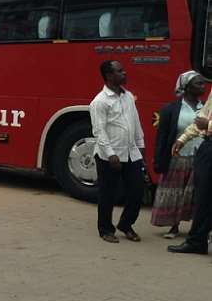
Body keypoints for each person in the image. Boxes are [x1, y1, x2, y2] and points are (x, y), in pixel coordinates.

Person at [90, 60, 145, 243]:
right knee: (108, 194)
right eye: (120, 71)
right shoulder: (100, 101)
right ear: (109, 76)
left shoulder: (127, 96)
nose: (124, 73)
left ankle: (126, 224)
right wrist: (110, 153)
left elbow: (135, 121)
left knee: (137, 191)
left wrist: (140, 145)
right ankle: (105, 229)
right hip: (109, 156)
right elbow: (99, 130)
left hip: (131, 153)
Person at [151, 71, 205, 238]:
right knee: (175, 192)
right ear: (186, 87)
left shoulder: (206, 108)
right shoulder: (171, 109)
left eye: (203, 83)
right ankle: (173, 226)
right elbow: (162, 137)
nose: (203, 86)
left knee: (199, 194)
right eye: (198, 83)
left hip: (200, 157)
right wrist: (159, 159)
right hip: (178, 157)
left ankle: (199, 229)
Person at [168, 77, 212, 254]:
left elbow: (205, 122)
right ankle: (197, 241)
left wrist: (209, 125)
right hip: (208, 146)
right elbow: (203, 117)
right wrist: (183, 138)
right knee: (204, 198)